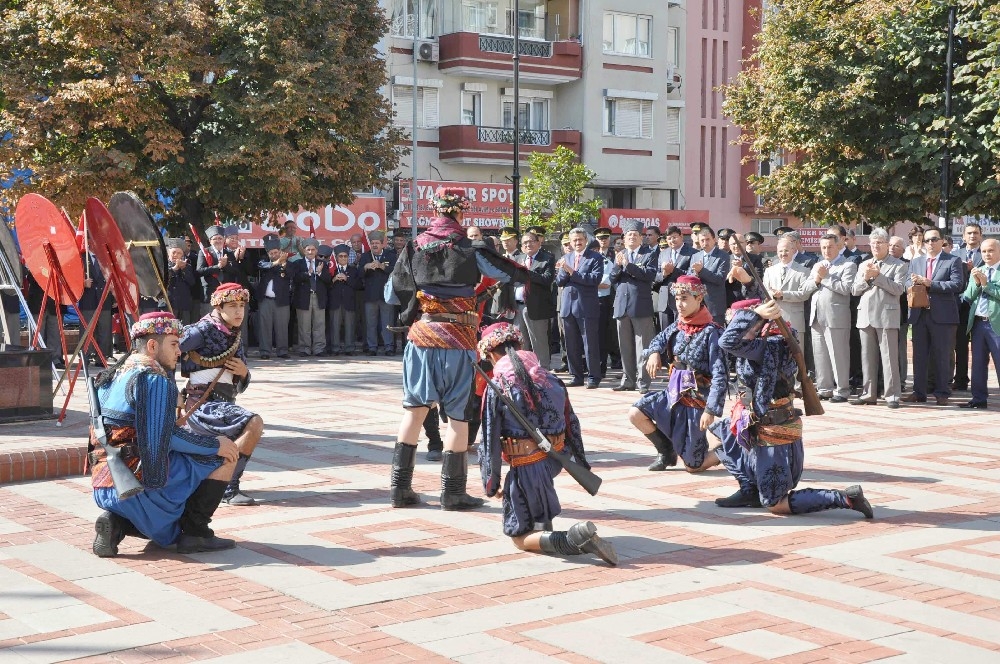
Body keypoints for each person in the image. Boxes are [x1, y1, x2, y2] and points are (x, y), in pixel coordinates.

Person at [386, 186, 523, 511]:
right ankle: (452, 493)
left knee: (414, 412)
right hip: (458, 339)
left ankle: (399, 490)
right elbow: (507, 273)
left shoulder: (414, 246)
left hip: (421, 338)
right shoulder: (472, 248)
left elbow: (392, 294)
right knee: (459, 419)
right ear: (461, 212)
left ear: (435, 211)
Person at [90, 312, 241, 557]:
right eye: (173, 344)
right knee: (225, 457)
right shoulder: (153, 378)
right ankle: (196, 533)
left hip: (105, 484)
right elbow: (167, 438)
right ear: (152, 345)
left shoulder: (112, 375)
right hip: (139, 486)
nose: (179, 351)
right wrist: (215, 444)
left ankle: (114, 523)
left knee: (184, 465)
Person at [709, 299, 874, 519]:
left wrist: (755, 314)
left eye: (740, 325)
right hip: (760, 423)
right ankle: (750, 490)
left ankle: (844, 498)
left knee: (775, 504)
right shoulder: (770, 339)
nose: (737, 331)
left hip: (773, 433)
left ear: (757, 326)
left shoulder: (769, 345)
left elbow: (727, 342)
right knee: (722, 433)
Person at [477, 323, 616, 565]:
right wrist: (580, 461)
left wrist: (492, 482)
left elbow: (489, 439)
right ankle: (556, 534)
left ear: (490, 354)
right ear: (520, 346)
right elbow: (572, 422)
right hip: (553, 459)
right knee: (539, 522)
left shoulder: (499, 386)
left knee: (518, 537)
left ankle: (576, 539)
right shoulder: (550, 378)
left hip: (526, 466)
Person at [629, 275, 727, 472]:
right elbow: (657, 340)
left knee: (693, 466)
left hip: (696, 400)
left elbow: (720, 375)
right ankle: (666, 452)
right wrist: (654, 353)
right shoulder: (678, 326)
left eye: (685, 299)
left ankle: (730, 448)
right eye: (677, 299)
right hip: (673, 394)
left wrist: (711, 409)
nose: (679, 305)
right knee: (636, 413)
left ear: (699, 299)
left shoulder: (712, 332)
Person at [179, 283, 263, 506]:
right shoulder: (202, 330)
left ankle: (219, 485)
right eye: (233, 306)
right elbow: (167, 351)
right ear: (219, 306)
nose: (239, 312)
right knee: (254, 423)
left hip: (225, 403)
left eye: (242, 306)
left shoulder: (235, 334)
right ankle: (228, 488)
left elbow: (240, 383)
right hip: (203, 405)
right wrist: (170, 393)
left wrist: (244, 373)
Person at [904, 228, 963, 405]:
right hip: (920, 314)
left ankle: (942, 392)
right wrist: (913, 282)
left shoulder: (953, 260)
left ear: (942, 241)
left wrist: (931, 284)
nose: (930, 243)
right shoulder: (916, 261)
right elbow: (906, 281)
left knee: (942, 355)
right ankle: (919, 392)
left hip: (943, 316)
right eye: (927, 240)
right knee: (919, 356)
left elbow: (957, 284)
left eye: (934, 239)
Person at [851, 229, 907, 408]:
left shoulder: (898, 265)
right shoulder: (864, 264)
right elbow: (854, 290)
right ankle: (869, 394)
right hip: (865, 315)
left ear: (887, 245)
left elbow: (898, 289)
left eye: (880, 243)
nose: (875, 246)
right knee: (867, 357)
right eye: (873, 243)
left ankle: (892, 395)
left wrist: (878, 277)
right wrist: (867, 279)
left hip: (886, 315)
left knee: (889, 357)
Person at [809, 234, 858, 402]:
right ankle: (824, 388)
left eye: (830, 247)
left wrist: (826, 277)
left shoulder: (848, 265)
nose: (826, 250)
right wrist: (817, 279)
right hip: (816, 316)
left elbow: (846, 288)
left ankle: (842, 390)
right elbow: (806, 287)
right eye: (823, 247)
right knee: (820, 354)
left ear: (838, 247)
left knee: (839, 355)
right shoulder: (818, 265)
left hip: (836, 317)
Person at [610, 220, 657, 393]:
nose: (632, 237)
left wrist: (627, 265)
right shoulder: (620, 253)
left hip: (640, 305)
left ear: (641, 238)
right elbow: (613, 278)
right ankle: (627, 380)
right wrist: (617, 265)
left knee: (642, 346)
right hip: (621, 306)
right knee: (625, 346)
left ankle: (643, 382)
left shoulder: (649, 254)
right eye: (629, 235)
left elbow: (649, 275)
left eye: (635, 235)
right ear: (624, 237)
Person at [556, 228, 605, 389]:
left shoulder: (595, 257)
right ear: (570, 242)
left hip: (586, 306)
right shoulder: (566, 257)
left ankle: (593, 376)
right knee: (571, 344)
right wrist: (564, 271)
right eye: (574, 240)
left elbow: (594, 279)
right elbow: (560, 281)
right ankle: (576, 375)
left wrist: (571, 272)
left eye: (580, 240)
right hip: (568, 306)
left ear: (585, 241)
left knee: (589, 343)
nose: (577, 243)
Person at [959, 238, 1000, 409]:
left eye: (990, 250)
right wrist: (977, 282)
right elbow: (968, 296)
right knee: (978, 364)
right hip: (977, 324)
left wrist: (986, 284)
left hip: (996, 324)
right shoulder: (979, 270)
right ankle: (978, 399)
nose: (987, 254)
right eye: (984, 251)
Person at [513, 231, 556, 369]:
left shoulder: (547, 258)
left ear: (538, 243)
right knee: (521, 341)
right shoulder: (518, 259)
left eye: (531, 241)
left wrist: (526, 272)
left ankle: (543, 370)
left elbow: (546, 279)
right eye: (525, 242)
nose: (528, 244)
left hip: (537, 307)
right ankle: (525, 369)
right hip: (518, 306)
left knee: (539, 341)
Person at [762, 237, 816, 341]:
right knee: (776, 353)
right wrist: (772, 294)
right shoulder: (769, 271)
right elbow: (764, 293)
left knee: (797, 354)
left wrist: (782, 294)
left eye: (786, 250)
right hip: (774, 319)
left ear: (793, 250)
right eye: (780, 251)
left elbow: (804, 294)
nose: (783, 253)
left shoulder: (803, 271)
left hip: (794, 320)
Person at [951, 222, 984, 391]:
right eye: (969, 233)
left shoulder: (986, 254)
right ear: (963, 236)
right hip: (960, 306)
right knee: (960, 345)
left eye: (976, 233)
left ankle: (980, 383)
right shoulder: (955, 254)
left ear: (981, 236)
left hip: (980, 305)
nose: (973, 236)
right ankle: (961, 380)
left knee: (980, 347)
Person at [291, 239, 332, 357]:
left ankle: (319, 348)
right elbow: (295, 279)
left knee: (319, 324)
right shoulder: (298, 263)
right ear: (304, 251)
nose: (310, 252)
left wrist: (319, 272)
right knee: (304, 325)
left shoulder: (322, 263)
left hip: (318, 297)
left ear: (316, 251)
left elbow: (328, 280)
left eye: (313, 249)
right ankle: (304, 348)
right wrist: (307, 273)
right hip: (304, 297)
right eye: (308, 249)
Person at [359, 231, 397, 356]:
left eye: (377, 243)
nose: (374, 245)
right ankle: (372, 347)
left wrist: (382, 266)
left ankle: (389, 347)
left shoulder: (390, 255)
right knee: (371, 324)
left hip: (386, 296)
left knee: (387, 323)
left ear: (382, 244)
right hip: (370, 296)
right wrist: (366, 267)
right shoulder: (366, 256)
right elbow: (359, 274)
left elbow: (395, 271)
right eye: (373, 243)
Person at [255, 234, 293, 359]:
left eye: (276, 252)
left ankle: (282, 351)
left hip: (281, 300)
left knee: (282, 326)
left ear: (280, 251)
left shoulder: (288, 263)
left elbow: (291, 274)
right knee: (264, 327)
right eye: (271, 253)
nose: (273, 255)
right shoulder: (264, 261)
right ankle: (265, 351)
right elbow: (262, 267)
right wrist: (276, 263)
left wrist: (282, 264)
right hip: (265, 300)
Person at [653, 226, 695, 331]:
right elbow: (656, 276)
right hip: (664, 299)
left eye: (674, 237)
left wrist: (673, 270)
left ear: (681, 236)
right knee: (665, 332)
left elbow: (692, 275)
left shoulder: (692, 252)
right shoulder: (663, 253)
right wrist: (664, 274)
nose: (672, 240)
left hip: (683, 298)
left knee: (681, 331)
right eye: (669, 238)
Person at [78, 251, 115, 363]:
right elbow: (73, 277)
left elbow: (115, 277)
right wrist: (82, 283)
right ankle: (85, 355)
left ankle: (102, 357)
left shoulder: (107, 256)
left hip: (104, 300)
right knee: (87, 330)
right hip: (88, 301)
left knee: (104, 330)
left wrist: (114, 297)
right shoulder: (82, 258)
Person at [327, 243, 362, 355]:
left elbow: (359, 285)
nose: (343, 258)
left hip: (349, 302)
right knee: (334, 326)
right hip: (335, 302)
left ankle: (349, 348)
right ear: (336, 258)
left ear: (348, 257)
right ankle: (335, 348)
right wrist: (333, 280)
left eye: (345, 256)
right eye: (340, 256)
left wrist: (347, 279)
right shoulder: (331, 269)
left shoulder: (353, 270)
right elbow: (325, 285)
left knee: (350, 326)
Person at [690, 227, 729, 325]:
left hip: (714, 305)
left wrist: (701, 271)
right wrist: (694, 274)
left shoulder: (723, 256)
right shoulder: (695, 256)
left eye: (708, 239)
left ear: (714, 240)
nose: (705, 242)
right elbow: (690, 276)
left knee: (715, 335)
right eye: (702, 240)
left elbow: (720, 279)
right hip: (697, 305)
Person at [166, 239, 197, 325]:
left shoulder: (187, 266)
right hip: (169, 303)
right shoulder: (163, 266)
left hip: (184, 304)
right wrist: (175, 268)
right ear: (169, 253)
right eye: (174, 252)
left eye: (179, 253)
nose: (176, 255)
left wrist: (184, 269)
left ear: (183, 255)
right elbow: (163, 280)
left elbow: (192, 282)